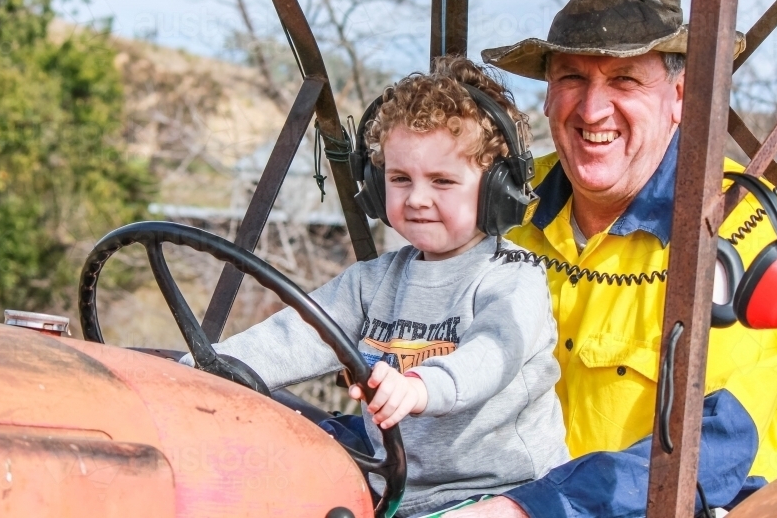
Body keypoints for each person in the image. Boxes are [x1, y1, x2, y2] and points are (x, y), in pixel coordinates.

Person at [447, 0, 777, 517]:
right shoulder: (501, 200)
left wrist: (530, 509)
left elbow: (725, 441)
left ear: (680, 97)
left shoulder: (738, 224)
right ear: (548, 95)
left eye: (624, 80)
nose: (593, 110)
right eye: (571, 77)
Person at [184, 57, 569, 518]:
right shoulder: (373, 281)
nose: (418, 198)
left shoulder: (513, 277)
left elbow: (491, 354)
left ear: (496, 189)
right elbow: (295, 335)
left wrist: (421, 387)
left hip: (502, 494)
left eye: (443, 181)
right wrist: (197, 370)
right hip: (393, 486)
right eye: (400, 179)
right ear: (374, 183)